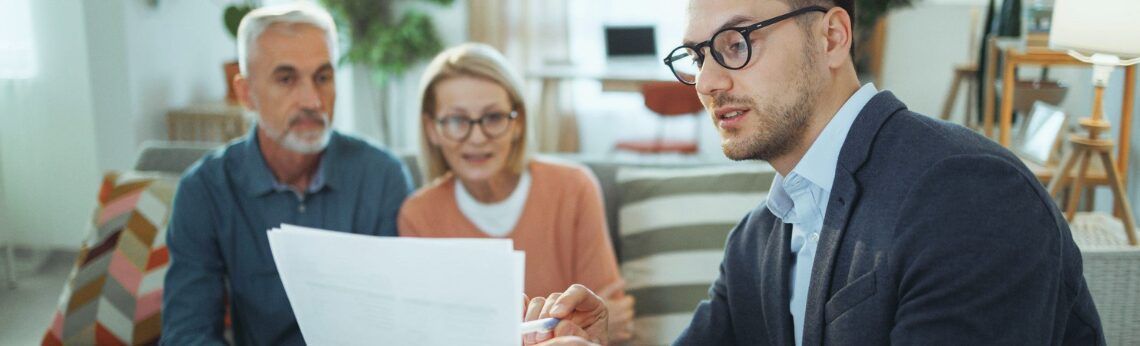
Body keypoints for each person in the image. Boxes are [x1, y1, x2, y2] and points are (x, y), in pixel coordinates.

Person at [523, 0, 1104, 345]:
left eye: (735, 43)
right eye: (697, 57)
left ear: (831, 37)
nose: (707, 82)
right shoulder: (758, 238)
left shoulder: (965, 191)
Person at [161, 3, 413, 344]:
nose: (312, 100)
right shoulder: (204, 190)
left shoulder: (382, 176)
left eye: (323, 77)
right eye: (286, 79)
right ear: (246, 93)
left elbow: (400, 322)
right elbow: (187, 333)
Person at [397, 43, 635, 343]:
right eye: (457, 120)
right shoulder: (418, 214)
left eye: (493, 117)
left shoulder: (573, 187)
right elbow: (431, 334)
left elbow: (610, 324)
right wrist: (556, 328)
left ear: (518, 122)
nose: (477, 137)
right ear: (432, 129)